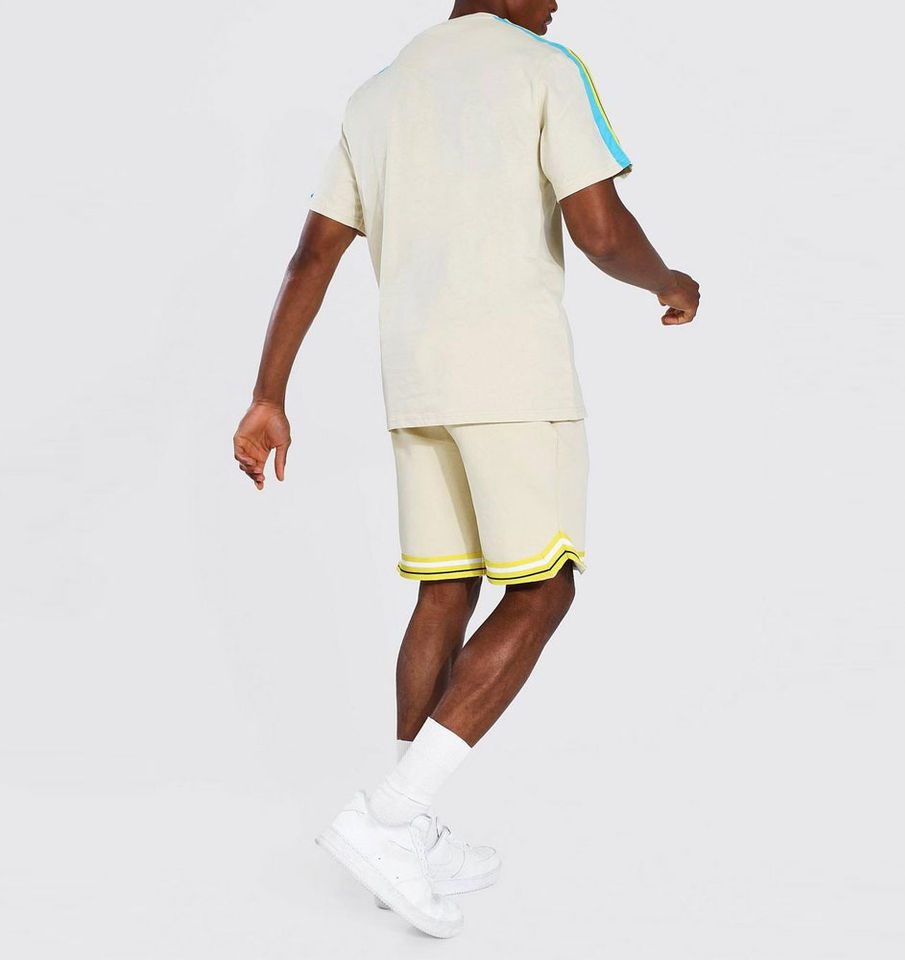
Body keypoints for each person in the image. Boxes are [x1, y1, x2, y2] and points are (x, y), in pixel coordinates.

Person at [232, 0, 699, 939]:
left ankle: (406, 833)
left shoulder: (377, 95)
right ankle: (390, 818)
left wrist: (267, 394)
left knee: (445, 591)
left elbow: (313, 253)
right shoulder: (544, 66)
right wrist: (670, 282)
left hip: (415, 381)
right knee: (545, 589)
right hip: (512, 376)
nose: (558, 3)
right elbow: (600, 229)